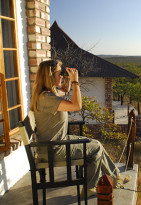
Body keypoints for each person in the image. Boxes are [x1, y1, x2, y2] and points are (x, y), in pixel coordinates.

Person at [30, 59, 131, 198]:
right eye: (59, 74)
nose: (61, 76)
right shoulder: (47, 98)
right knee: (95, 149)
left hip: (53, 145)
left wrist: (67, 79)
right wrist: (75, 82)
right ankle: (94, 185)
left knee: (95, 144)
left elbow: (64, 91)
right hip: (54, 149)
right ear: (49, 76)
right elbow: (77, 105)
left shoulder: (45, 94)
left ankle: (112, 178)